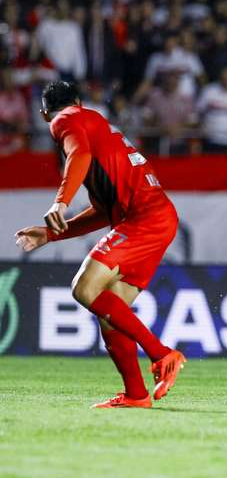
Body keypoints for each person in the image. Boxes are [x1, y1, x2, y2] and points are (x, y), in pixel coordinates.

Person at [14, 81, 185, 409]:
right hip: (158, 218)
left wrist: (60, 203)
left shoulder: (64, 119)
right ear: (79, 99)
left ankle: (162, 354)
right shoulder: (98, 128)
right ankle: (136, 394)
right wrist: (50, 234)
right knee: (110, 312)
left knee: (84, 287)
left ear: (44, 113)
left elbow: (79, 153)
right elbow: (103, 212)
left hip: (144, 218)